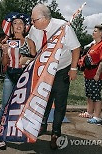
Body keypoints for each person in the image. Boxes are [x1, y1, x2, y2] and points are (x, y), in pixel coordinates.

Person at [28, 4, 80, 149]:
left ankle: (56, 133)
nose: (32, 23)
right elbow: (30, 39)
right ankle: (42, 125)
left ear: (44, 18)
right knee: (44, 99)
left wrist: (74, 68)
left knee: (60, 102)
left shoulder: (63, 27)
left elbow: (76, 48)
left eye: (34, 20)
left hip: (62, 70)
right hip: (44, 70)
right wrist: (33, 52)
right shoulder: (34, 29)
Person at [0, 12, 36, 150]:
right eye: (15, 23)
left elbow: (36, 61)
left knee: (23, 106)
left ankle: (22, 133)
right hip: (10, 75)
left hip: (25, 76)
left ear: (25, 27)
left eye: (21, 23)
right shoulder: (7, 42)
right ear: (11, 27)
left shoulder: (30, 42)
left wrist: (27, 59)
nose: (18, 25)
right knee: (5, 105)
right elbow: (4, 63)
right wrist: (5, 52)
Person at [78, 25, 102, 125]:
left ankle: (97, 117)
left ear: (101, 33)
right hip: (88, 74)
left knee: (96, 95)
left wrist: (97, 74)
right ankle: (89, 112)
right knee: (89, 94)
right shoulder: (94, 45)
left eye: (95, 31)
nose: (93, 33)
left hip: (96, 75)